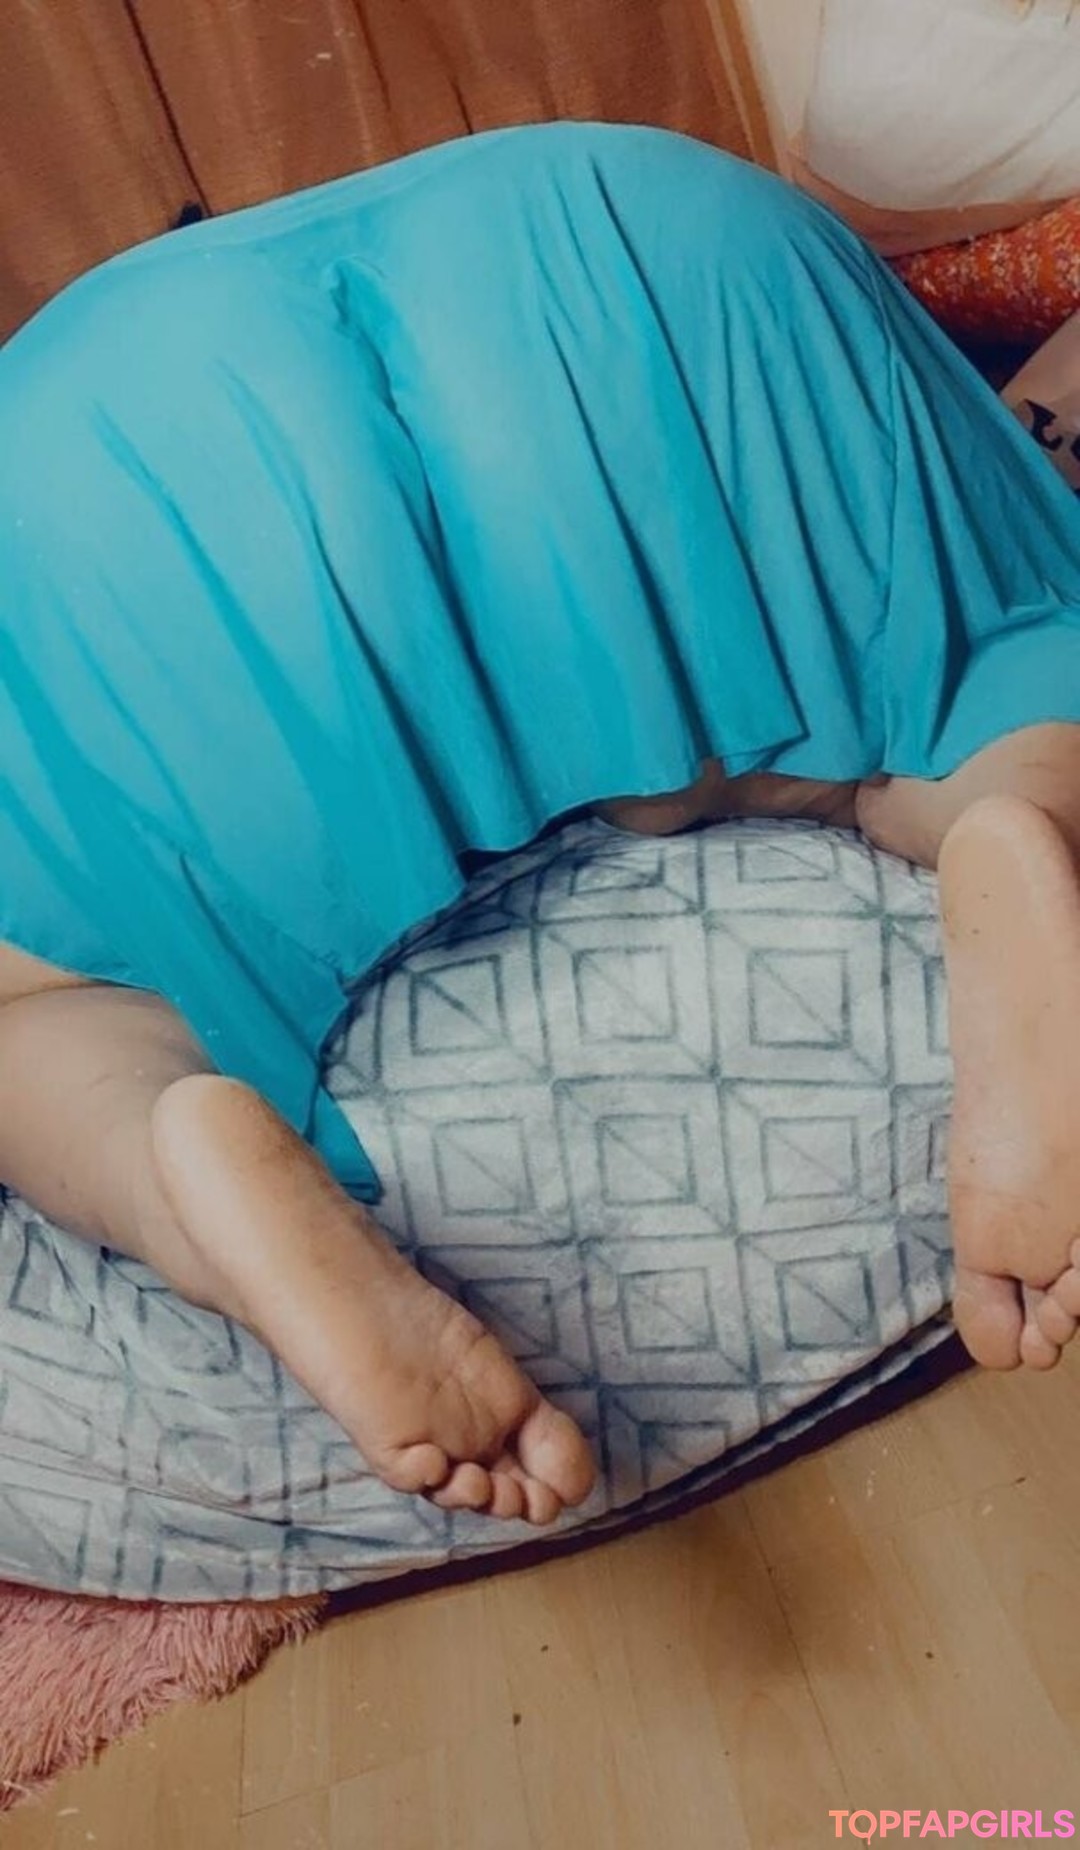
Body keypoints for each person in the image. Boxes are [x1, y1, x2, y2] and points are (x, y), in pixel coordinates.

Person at [3, 123, 1080, 1530]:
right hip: (667, 264)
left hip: (112, 466)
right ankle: (1013, 816)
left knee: (36, 1021)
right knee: (987, 675)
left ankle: (168, 1160)